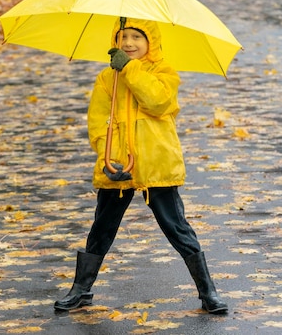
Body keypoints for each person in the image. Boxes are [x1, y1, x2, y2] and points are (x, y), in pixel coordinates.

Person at [54, 17, 228, 314]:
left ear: (151, 43)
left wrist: (130, 68)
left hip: (156, 164)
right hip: (118, 163)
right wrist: (104, 154)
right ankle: (81, 290)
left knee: (176, 227)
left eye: (136, 37)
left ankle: (207, 291)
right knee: (102, 226)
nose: (128, 43)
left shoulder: (164, 73)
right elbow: (97, 122)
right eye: (122, 37)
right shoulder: (106, 79)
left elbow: (158, 102)